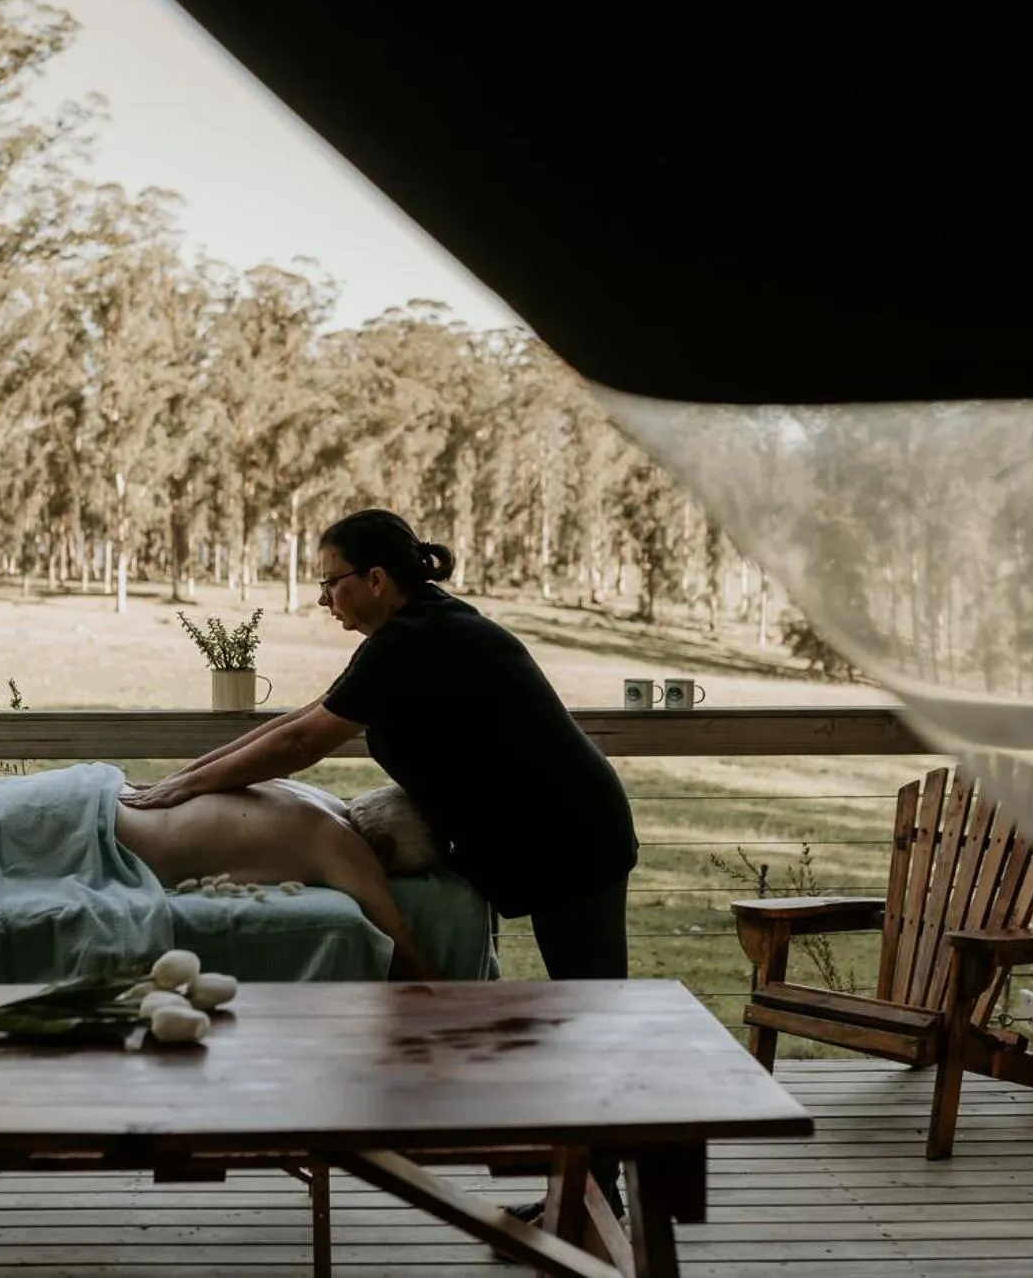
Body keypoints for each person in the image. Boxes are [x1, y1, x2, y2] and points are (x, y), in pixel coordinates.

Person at [122, 507, 640, 1218]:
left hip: (570, 834)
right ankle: (588, 1193)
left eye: (330, 582)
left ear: (374, 578)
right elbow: (298, 719)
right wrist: (186, 777)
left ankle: (600, 1195)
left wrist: (184, 788)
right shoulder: (412, 629)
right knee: (586, 1011)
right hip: (550, 831)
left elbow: (302, 743)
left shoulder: (418, 638)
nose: (322, 598)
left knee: (592, 1013)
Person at [113, 779, 443, 979]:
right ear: (382, 849)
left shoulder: (312, 794)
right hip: (107, 837)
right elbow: (407, 953)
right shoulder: (342, 844)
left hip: (107, 792)